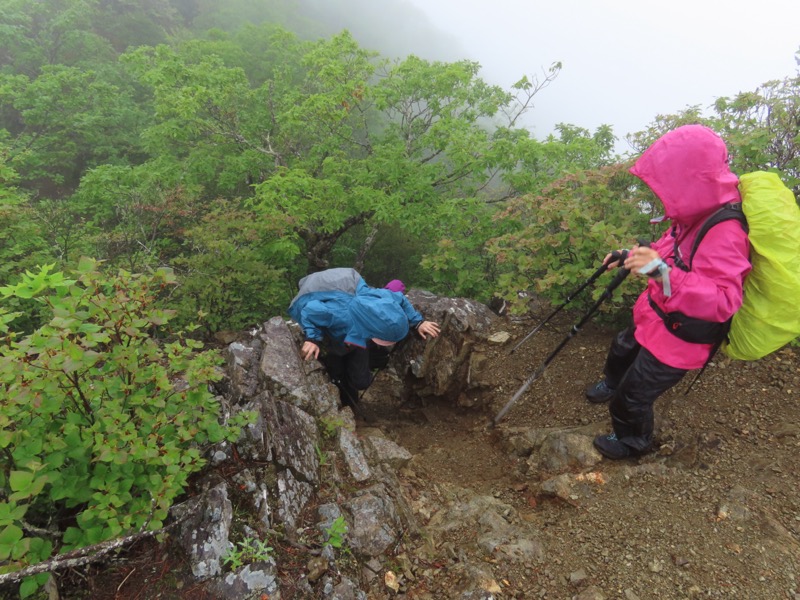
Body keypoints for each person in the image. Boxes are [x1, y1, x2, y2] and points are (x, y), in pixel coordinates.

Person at [586, 124, 751, 460]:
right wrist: (630, 257)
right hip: (655, 315)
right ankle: (612, 382)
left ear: (692, 179)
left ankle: (633, 442)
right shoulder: (695, 210)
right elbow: (669, 249)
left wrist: (660, 272)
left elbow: (723, 301)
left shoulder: (726, 232)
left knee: (632, 399)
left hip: (681, 337)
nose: (664, 193)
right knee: (621, 350)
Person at [287, 268, 440, 409]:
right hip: (318, 298)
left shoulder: (380, 300)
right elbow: (310, 310)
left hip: (350, 286)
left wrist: (418, 322)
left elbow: (399, 297)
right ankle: (345, 398)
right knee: (337, 368)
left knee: (360, 378)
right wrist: (312, 339)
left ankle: (351, 385)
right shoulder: (339, 315)